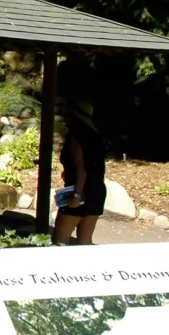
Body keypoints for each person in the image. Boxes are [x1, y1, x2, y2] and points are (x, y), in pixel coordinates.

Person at [52, 101, 106, 245]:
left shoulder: (77, 134)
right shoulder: (96, 134)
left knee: (60, 239)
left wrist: (77, 194)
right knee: (85, 240)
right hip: (97, 189)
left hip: (81, 190)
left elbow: (81, 166)